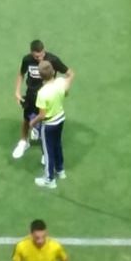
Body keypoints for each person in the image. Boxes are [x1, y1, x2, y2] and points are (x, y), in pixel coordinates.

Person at [12, 40, 73, 160]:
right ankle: (23, 142)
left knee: (45, 123)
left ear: (44, 51)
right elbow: (21, 74)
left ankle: (45, 152)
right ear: (31, 53)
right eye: (36, 56)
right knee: (26, 119)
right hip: (31, 95)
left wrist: (65, 89)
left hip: (47, 97)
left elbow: (70, 74)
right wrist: (17, 91)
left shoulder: (53, 60)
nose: (39, 58)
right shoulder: (27, 60)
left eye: (41, 55)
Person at [28, 60, 74, 189]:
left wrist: (33, 122)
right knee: (57, 145)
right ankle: (60, 170)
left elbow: (42, 115)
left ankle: (49, 179)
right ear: (53, 72)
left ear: (40, 76)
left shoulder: (42, 93)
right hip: (60, 118)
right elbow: (66, 92)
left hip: (49, 124)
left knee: (48, 151)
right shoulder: (60, 82)